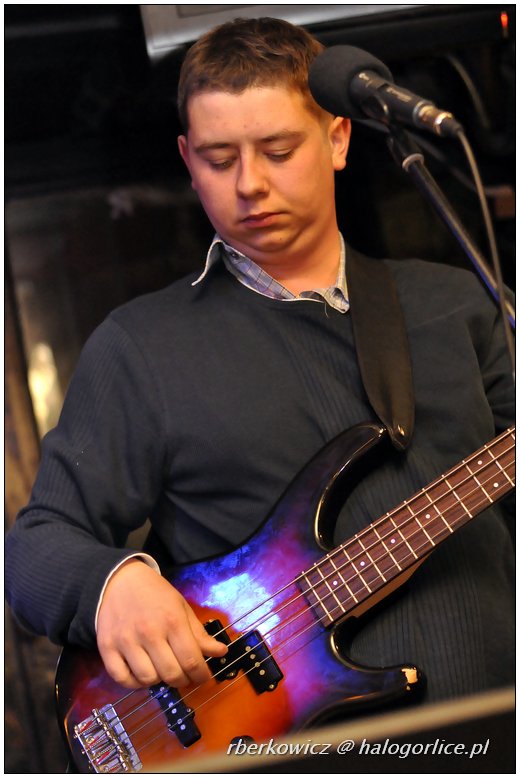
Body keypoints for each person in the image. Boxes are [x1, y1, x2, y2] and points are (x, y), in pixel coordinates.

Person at [6, 14, 514, 724]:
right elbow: (34, 550)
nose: (250, 184)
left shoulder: (458, 305)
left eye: (278, 150)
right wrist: (110, 586)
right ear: (187, 161)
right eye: (219, 160)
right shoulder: (141, 347)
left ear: (338, 138)